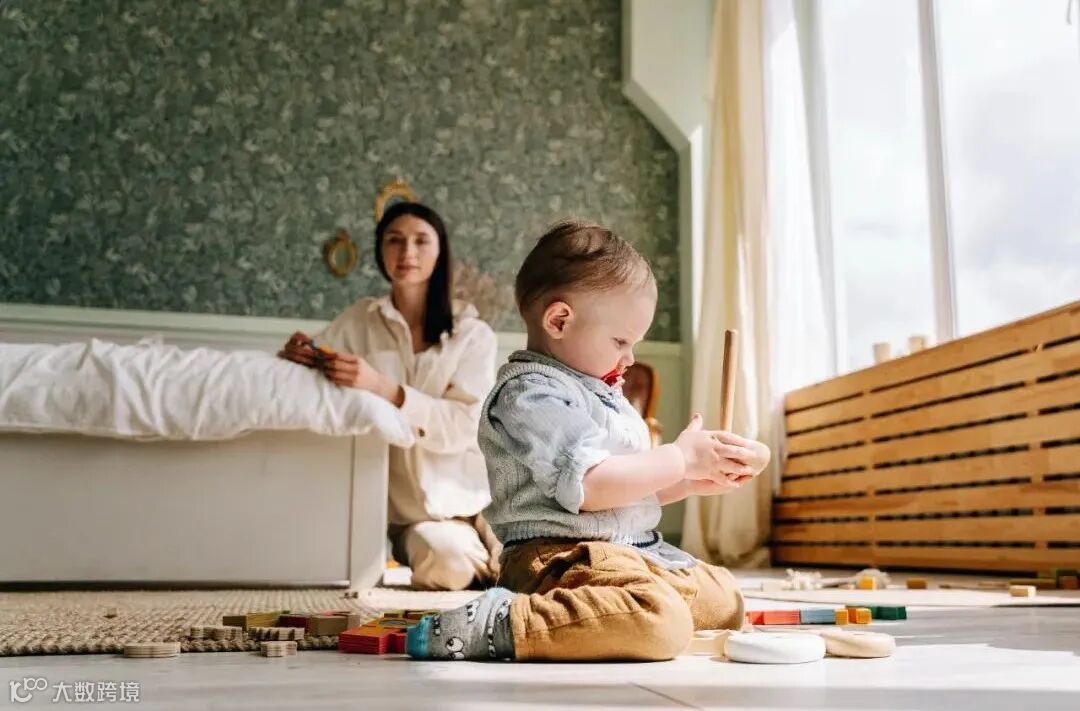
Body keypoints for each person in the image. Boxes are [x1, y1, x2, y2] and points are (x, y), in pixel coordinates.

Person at [405, 219, 771, 661]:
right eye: (621, 340)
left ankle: (613, 613)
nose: (629, 357)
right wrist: (677, 457)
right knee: (659, 620)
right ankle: (503, 621)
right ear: (559, 320)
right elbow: (592, 487)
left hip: (626, 552)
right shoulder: (530, 394)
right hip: (560, 558)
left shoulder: (601, 392)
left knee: (725, 600)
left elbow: (626, 491)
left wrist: (692, 477)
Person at [279, 202, 499, 591]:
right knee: (448, 567)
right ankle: (487, 564)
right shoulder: (360, 321)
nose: (407, 252)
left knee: (530, 560)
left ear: (440, 251)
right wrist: (299, 354)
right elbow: (320, 357)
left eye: (421, 241)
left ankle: (499, 559)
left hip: (479, 496)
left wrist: (383, 387)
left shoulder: (472, 333)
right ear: (381, 251)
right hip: (414, 515)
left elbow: (464, 426)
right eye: (394, 240)